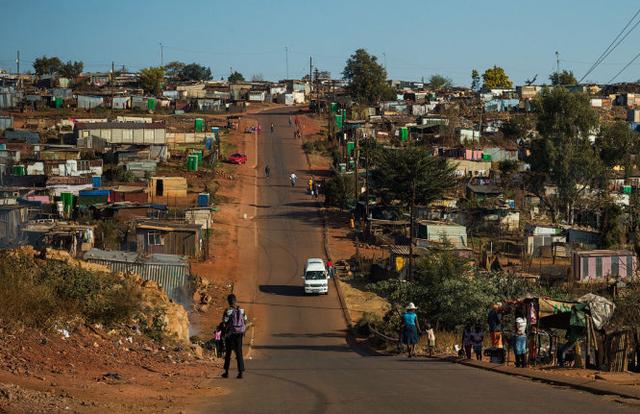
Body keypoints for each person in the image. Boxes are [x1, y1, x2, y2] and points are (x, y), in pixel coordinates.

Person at [221, 294, 248, 379]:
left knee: (228, 353)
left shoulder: (228, 310)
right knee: (239, 353)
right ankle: (241, 372)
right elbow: (246, 321)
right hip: (239, 334)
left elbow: (224, 322)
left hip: (230, 334)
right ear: (235, 300)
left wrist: (224, 330)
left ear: (229, 301)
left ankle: (226, 372)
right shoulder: (242, 310)